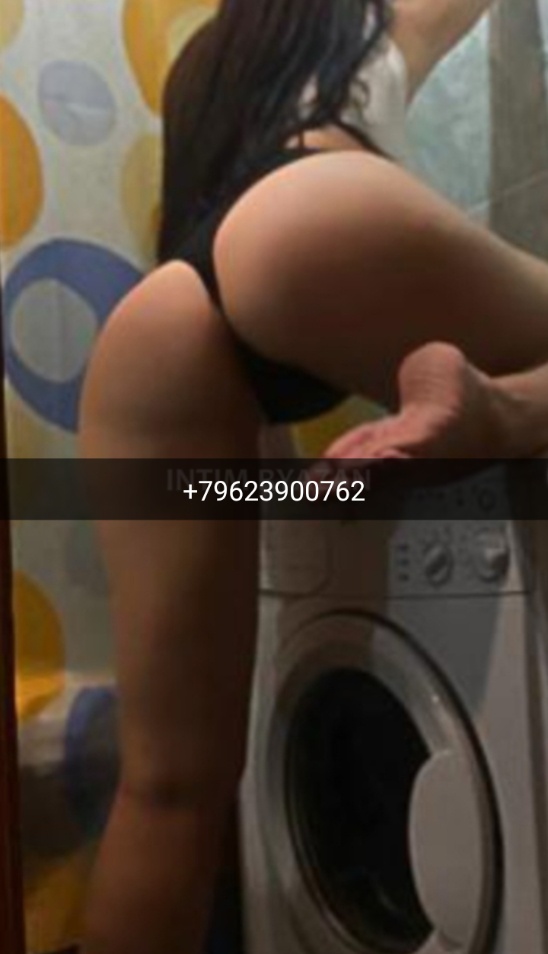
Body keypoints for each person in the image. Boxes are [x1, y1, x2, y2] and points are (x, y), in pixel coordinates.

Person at [77, 1, 548, 952]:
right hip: (312, 217)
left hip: (164, 323)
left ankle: (496, 409)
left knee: (167, 789)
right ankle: (498, 412)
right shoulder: (362, 14)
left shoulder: (210, 62)